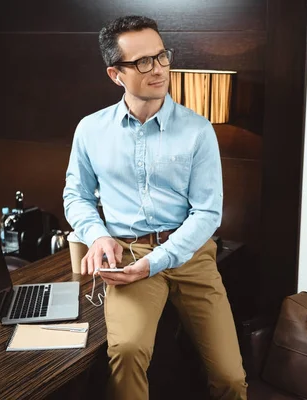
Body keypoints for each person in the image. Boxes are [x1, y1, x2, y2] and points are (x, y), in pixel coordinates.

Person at [62, 15, 248, 400]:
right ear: (116, 74)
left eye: (162, 56)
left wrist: (158, 259)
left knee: (230, 377)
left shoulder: (198, 131)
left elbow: (207, 214)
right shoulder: (90, 130)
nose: (159, 69)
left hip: (190, 255)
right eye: (143, 62)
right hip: (129, 255)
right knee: (127, 351)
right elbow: (75, 195)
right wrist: (96, 235)